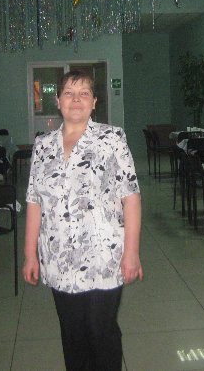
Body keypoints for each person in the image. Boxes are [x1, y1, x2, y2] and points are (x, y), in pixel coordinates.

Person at [23, 70, 143, 371]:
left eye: (84, 93)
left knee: (101, 331)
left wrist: (131, 253)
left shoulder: (112, 139)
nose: (76, 99)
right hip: (58, 257)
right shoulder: (42, 146)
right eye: (69, 93)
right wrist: (29, 255)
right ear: (58, 100)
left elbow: (131, 198)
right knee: (72, 333)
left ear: (94, 102)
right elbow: (34, 201)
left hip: (104, 256)